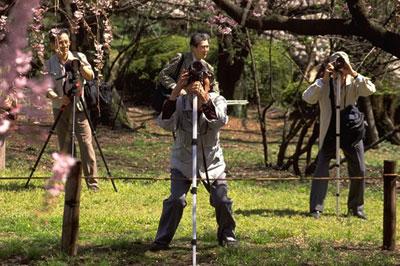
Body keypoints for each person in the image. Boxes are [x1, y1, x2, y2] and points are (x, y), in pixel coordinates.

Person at [150, 33, 236, 251]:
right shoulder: (179, 100)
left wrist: (205, 98)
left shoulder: (218, 99)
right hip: (184, 161)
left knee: (222, 201)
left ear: (209, 81)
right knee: (176, 201)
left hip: (211, 162)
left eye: (203, 80)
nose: (197, 84)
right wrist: (176, 90)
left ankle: (227, 235)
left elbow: (219, 121)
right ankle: (162, 239)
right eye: (193, 80)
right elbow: (164, 123)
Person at [302, 51, 376, 219]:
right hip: (329, 129)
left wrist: (352, 72)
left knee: (359, 168)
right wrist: (324, 79)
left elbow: (370, 89)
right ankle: (316, 209)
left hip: (351, 131)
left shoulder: (354, 81)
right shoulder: (324, 82)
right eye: (336, 63)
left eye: (342, 63)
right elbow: (308, 98)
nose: (339, 66)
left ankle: (356, 208)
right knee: (321, 167)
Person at [45, 28, 99, 190]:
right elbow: (46, 89)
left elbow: (91, 76)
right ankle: (70, 180)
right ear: (53, 45)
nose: (64, 45)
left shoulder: (79, 57)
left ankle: (93, 183)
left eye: (66, 41)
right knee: (65, 146)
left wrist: (79, 66)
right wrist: (59, 98)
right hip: (60, 108)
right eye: (60, 42)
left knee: (86, 143)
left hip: (79, 107)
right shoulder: (50, 63)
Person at [158, 32, 219, 99]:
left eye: (207, 47)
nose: (206, 50)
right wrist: (176, 88)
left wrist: (212, 96)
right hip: (176, 100)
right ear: (193, 48)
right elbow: (163, 74)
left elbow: (214, 84)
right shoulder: (181, 59)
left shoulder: (208, 67)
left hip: (198, 103)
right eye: (203, 47)